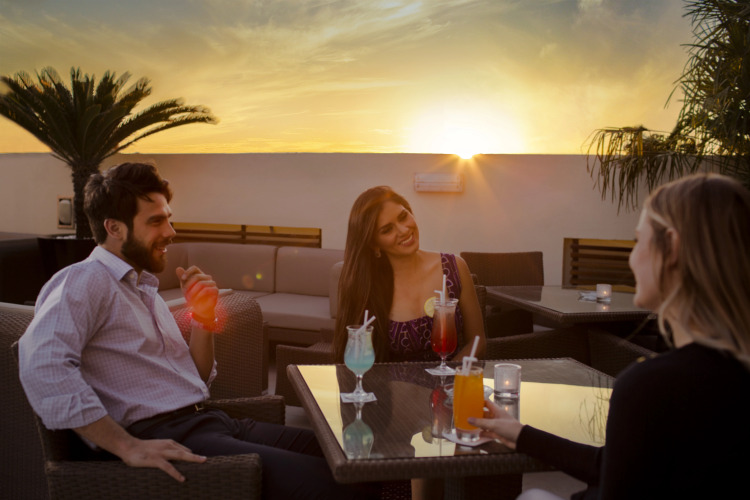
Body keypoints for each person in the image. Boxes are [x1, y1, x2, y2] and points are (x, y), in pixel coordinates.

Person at [18, 162, 376, 500]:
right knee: (338, 487)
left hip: (209, 420)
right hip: (165, 435)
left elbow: (197, 379)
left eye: (168, 219)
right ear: (114, 228)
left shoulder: (144, 289)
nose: (170, 232)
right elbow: (42, 363)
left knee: (358, 456)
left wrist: (203, 318)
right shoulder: (85, 281)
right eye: (156, 221)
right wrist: (125, 446)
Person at [470, 173, 750, 499]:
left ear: (671, 247)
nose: (632, 258)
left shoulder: (651, 387)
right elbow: (620, 464)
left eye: (638, 241)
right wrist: (520, 434)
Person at [333, 185, 486, 364]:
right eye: (387, 230)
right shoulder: (366, 286)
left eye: (403, 216)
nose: (404, 230)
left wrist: (447, 375)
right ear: (374, 244)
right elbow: (350, 354)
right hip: (388, 382)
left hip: (451, 379)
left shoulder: (454, 268)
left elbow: (478, 342)